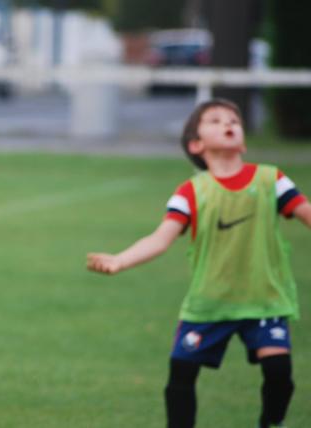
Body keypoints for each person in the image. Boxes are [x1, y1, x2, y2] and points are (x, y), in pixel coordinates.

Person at [86, 99, 311, 428]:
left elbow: (306, 213)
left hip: (264, 299)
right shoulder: (191, 192)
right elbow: (160, 238)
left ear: (243, 141)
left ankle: (269, 424)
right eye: (216, 120)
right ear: (196, 144)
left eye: (233, 119)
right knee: (181, 375)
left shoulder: (271, 180)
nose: (228, 123)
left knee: (279, 374)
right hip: (209, 302)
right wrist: (121, 260)